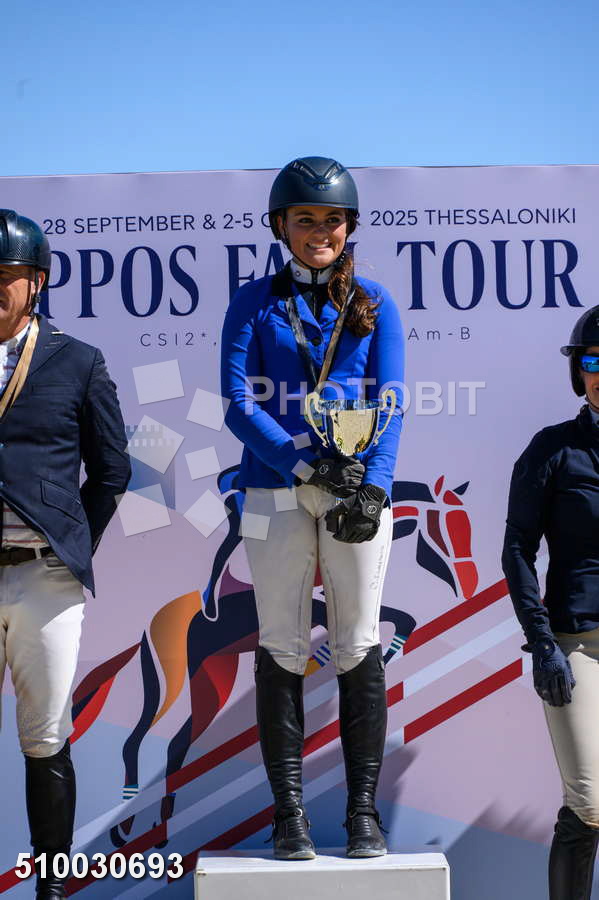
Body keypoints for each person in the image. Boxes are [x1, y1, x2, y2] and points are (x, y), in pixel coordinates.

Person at [221, 157, 404, 859]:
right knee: (281, 643)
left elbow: (390, 402)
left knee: (357, 641)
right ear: (281, 226)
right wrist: (300, 465)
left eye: (332, 220)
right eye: (305, 220)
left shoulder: (376, 302)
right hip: (271, 489)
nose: (320, 231)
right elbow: (237, 404)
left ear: (349, 226)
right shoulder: (251, 302)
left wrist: (374, 486)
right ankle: (288, 816)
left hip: (354, 487)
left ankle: (362, 814)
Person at [0, 209, 130, 899]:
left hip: (44, 581)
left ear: (38, 282)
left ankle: (52, 890)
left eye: (6, 275)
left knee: (46, 735)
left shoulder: (77, 360)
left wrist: (72, 542)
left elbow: (112, 470)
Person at [502, 305, 599, 900]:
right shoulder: (553, 449)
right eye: (595, 362)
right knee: (591, 801)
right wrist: (542, 644)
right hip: (576, 645)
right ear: (579, 372)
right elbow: (517, 548)